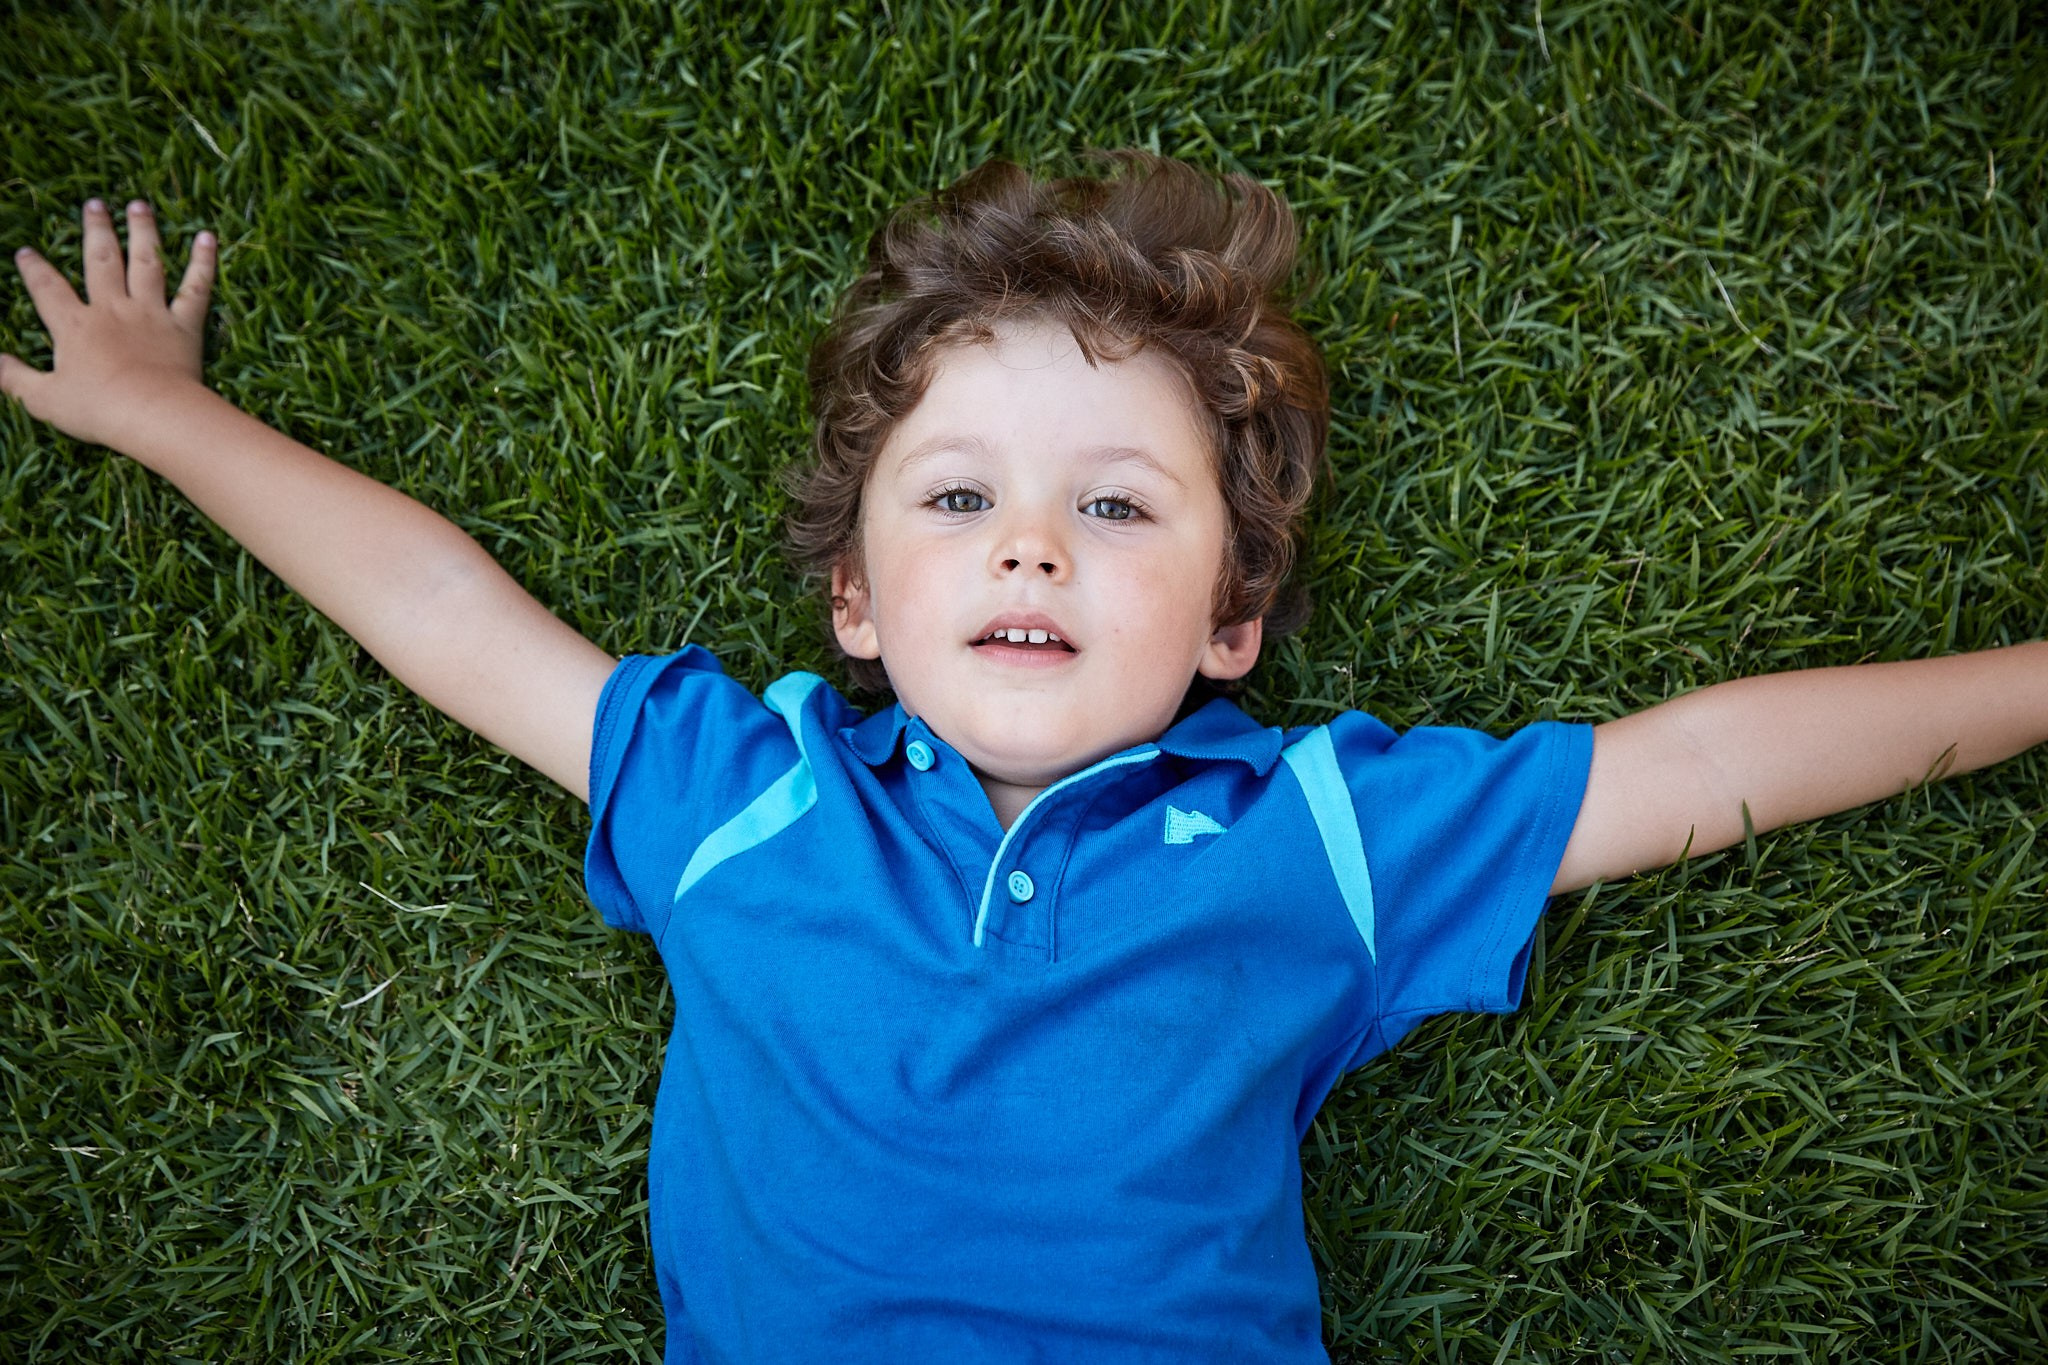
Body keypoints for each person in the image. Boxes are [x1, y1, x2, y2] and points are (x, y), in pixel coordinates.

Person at [5, 154, 2043, 1363]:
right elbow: (452, 618)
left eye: (1121, 508)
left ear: (1233, 625)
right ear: (861, 605)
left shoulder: (1317, 831)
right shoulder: (745, 792)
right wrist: (164, 417)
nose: (1033, 542)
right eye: (961, 495)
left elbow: (1691, 764)